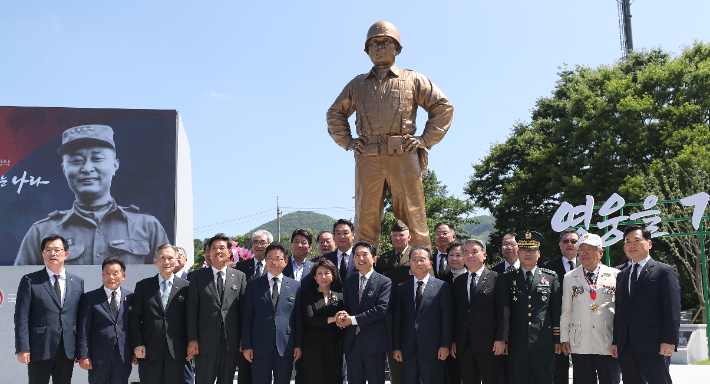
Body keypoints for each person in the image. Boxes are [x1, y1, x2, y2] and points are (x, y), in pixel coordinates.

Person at [327, 21, 453, 250]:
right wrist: (348, 141)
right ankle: (363, 272)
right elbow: (336, 113)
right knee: (366, 217)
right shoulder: (357, 84)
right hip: (368, 155)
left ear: (397, 48)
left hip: (403, 153)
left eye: (386, 42)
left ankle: (421, 269)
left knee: (413, 216)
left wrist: (425, 140)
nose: (380, 47)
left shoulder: (413, 79)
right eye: (374, 43)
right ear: (367, 51)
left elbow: (442, 106)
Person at [15, 124, 170, 265]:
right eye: (76, 160)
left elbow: (165, 282)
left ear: (115, 165)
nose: (87, 168)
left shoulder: (147, 227)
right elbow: (20, 286)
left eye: (97, 159)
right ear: (64, 169)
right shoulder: (41, 232)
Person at [612, 225, 681, 384]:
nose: (632, 245)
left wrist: (670, 340)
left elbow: (672, 309)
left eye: (637, 240)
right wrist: (616, 341)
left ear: (649, 244)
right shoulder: (622, 275)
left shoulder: (664, 271)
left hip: (654, 344)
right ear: (624, 247)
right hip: (626, 345)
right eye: (628, 242)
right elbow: (620, 309)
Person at [14, 234, 85, 384]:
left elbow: (80, 318)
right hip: (40, 347)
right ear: (42, 254)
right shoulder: (30, 281)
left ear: (66, 254)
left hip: (67, 348)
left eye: (57, 250)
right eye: (48, 250)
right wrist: (23, 348)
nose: (53, 254)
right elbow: (22, 317)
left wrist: (82, 350)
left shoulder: (77, 282)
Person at [560, 233, 620, 384]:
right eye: (581, 250)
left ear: (600, 253)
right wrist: (564, 339)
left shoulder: (615, 275)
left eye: (589, 250)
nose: (584, 254)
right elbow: (567, 311)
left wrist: (620, 340)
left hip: (608, 340)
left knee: (610, 380)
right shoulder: (570, 277)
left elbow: (621, 311)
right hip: (580, 341)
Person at [186, 235, 247, 384]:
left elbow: (243, 311)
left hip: (230, 341)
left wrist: (242, 339)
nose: (217, 251)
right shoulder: (197, 277)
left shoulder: (240, 276)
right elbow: (191, 310)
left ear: (229, 251)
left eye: (222, 248)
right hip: (205, 342)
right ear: (208, 252)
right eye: (213, 248)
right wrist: (192, 339)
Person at [242, 242, 303, 384]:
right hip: (259, 345)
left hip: (286, 345)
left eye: (278, 258)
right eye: (270, 258)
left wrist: (298, 345)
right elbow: (247, 317)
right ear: (265, 260)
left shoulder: (295, 286)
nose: (274, 262)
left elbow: (298, 318)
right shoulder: (253, 285)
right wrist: (247, 345)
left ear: (286, 262)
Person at [505, 231, 561, 384]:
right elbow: (504, 312)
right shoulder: (508, 278)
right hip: (516, 343)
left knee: (544, 380)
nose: (527, 253)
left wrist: (557, 339)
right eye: (524, 250)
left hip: (543, 342)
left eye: (532, 250)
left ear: (539, 254)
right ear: (518, 252)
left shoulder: (550, 277)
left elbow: (555, 310)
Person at [130, 243, 190, 384]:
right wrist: (137, 344)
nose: (167, 262)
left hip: (177, 349)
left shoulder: (186, 287)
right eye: (162, 258)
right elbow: (135, 318)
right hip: (149, 349)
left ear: (176, 261)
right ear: (156, 261)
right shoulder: (143, 286)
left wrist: (190, 342)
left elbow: (190, 318)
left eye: (170, 258)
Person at [392, 246, 453, 384]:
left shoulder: (442, 286)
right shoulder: (402, 288)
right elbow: (397, 320)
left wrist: (445, 345)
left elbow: (447, 318)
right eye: (414, 260)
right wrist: (396, 347)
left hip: (434, 349)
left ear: (430, 263)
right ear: (410, 263)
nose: (418, 263)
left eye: (422, 260)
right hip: (408, 349)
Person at [451, 239, 509, 384]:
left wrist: (501, 339)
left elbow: (503, 311)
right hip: (464, 344)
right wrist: (453, 340)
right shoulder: (458, 281)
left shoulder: (497, 279)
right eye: (466, 252)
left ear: (484, 255)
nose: (470, 255)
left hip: (489, 343)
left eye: (474, 252)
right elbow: (455, 313)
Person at [336, 241, 392, 384]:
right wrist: (342, 317)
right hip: (352, 341)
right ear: (353, 259)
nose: (361, 258)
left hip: (374, 342)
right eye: (357, 255)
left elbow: (381, 309)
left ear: (374, 258)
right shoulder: (349, 282)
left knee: (376, 380)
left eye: (364, 255)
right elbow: (347, 306)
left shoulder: (384, 282)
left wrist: (353, 319)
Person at [77, 256, 136, 384]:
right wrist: (83, 355)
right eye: (107, 273)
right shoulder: (90, 297)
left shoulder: (131, 297)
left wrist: (136, 349)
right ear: (102, 275)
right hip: (98, 355)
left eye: (115, 273)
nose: (111, 277)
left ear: (123, 276)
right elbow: (83, 328)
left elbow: (135, 326)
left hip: (123, 355)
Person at [374, 219, 416, 384]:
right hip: (390, 313)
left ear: (409, 237)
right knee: (394, 356)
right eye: (395, 236)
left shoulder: (418, 255)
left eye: (401, 235)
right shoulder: (383, 259)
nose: (398, 238)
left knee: (415, 355)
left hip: (413, 312)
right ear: (391, 238)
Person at [235, 229, 272, 384]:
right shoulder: (240, 267)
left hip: (268, 329)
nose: (258, 245)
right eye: (255, 242)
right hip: (247, 327)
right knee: (245, 374)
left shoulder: (275, 266)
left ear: (269, 244)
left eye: (262, 242)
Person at [543, 228, 580, 384]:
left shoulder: (587, 265)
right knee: (559, 370)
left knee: (582, 369)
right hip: (558, 326)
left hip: (582, 324)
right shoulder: (548, 267)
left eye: (573, 241)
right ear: (560, 245)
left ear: (579, 244)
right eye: (565, 241)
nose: (569, 244)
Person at [301, 258, 344, 384]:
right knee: (314, 376)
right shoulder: (307, 295)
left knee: (332, 376)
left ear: (333, 275)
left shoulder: (340, 296)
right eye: (319, 273)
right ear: (314, 277)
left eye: (327, 273)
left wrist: (342, 318)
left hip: (333, 343)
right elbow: (310, 319)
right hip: (313, 343)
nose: (323, 276)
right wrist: (332, 319)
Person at [310, 219, 357, 293]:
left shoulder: (361, 258)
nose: (342, 236)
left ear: (353, 235)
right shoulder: (325, 259)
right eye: (338, 233)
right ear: (334, 237)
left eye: (345, 233)